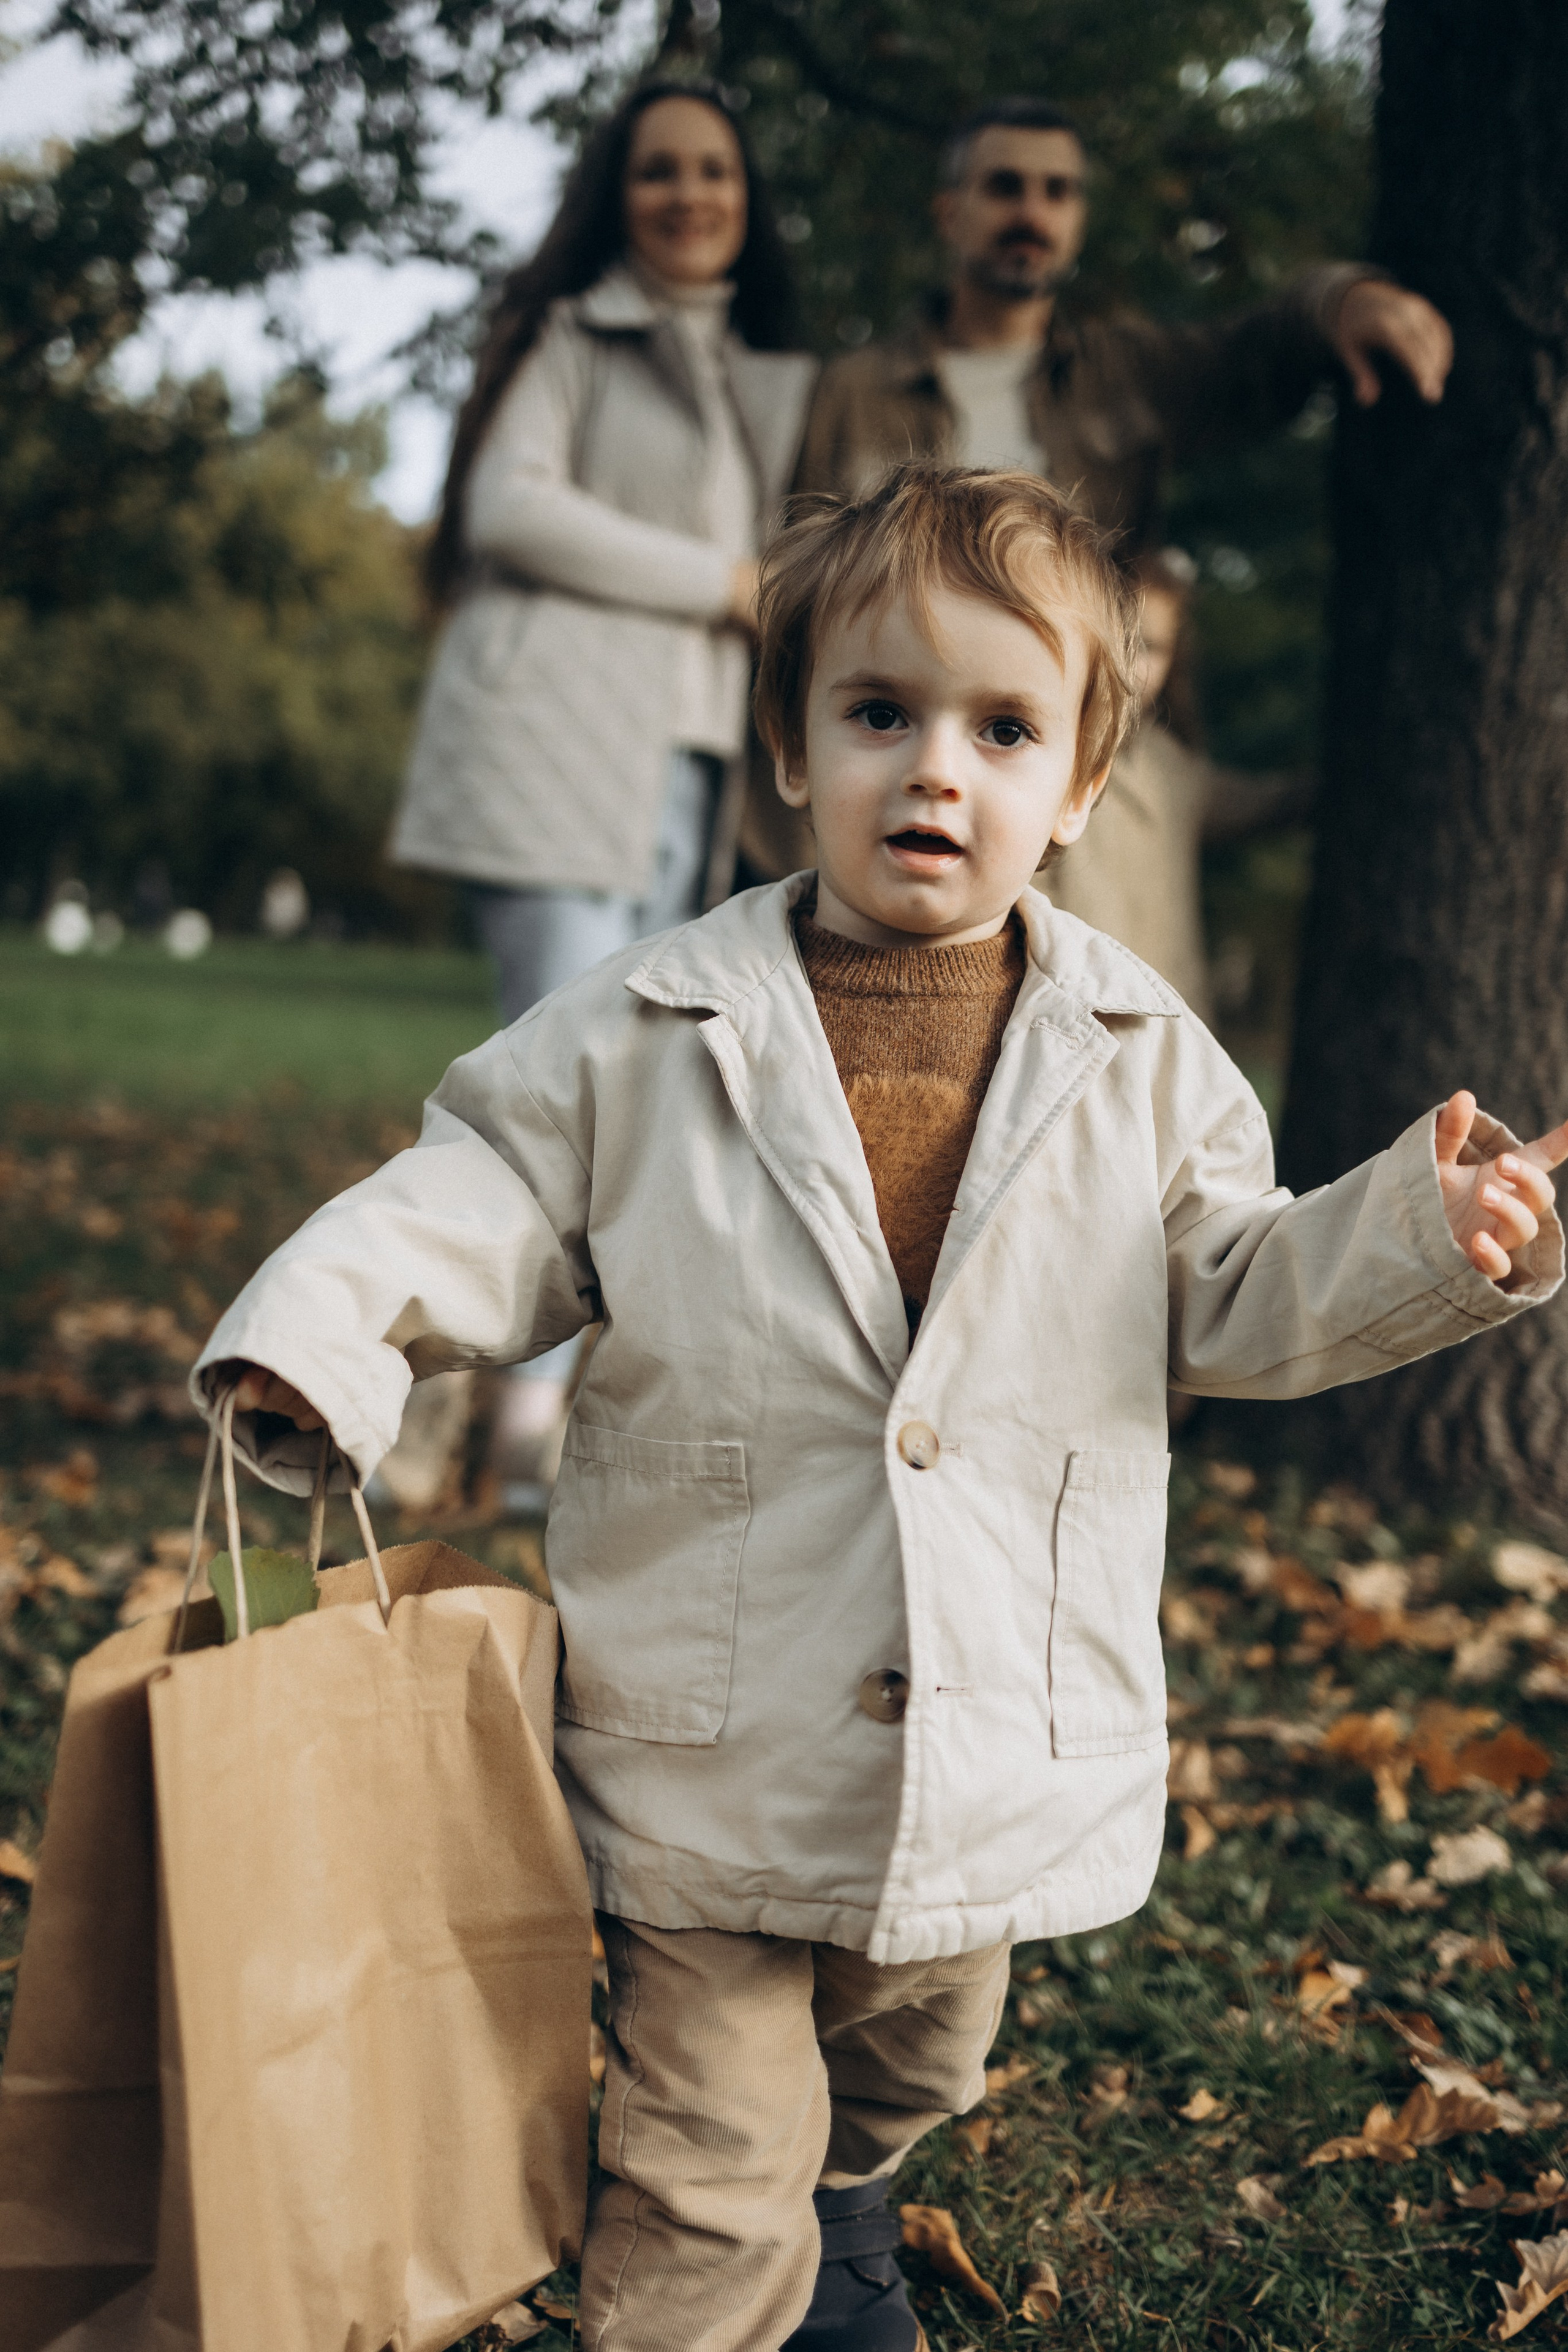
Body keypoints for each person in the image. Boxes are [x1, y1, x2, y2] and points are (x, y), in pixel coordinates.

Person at [196, 467, 1563, 2352]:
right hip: (708, 1716)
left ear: (1078, 789)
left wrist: (1429, 1233)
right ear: (788, 746)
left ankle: (839, 2189)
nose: (937, 768)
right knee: (705, 2148)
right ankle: (735, 2269)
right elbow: (476, 1197)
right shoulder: (643, 1026)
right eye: (879, 713)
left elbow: (1238, 1285)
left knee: (916, 2051)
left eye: (1003, 727)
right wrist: (325, 1336)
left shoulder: (1142, 1054)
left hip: (989, 1715)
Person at [388, 78, 816, 1498]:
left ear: (748, 206)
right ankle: (399, 1388)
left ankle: (522, 1425)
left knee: (623, 1099)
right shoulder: (572, 338)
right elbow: (506, 504)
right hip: (552, 751)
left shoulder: (761, 370)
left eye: (715, 172)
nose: (689, 194)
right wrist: (724, 584)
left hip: (686, 771)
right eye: (657, 172)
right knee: (547, 1086)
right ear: (613, 196)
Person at [796, 97, 1453, 538]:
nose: (1031, 212)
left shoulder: (1126, 374)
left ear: (1078, 221)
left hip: (1095, 730)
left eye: (1057, 192)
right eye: (1004, 186)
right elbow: (796, 582)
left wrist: (1343, 300)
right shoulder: (851, 391)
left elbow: (1260, 353)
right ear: (949, 214)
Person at [1046, 545, 1312, 1020]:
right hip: (1075, 1012)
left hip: (1171, 1015)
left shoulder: (1170, 766)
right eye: (1122, 636)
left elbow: (1248, 802)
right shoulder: (1045, 746)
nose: (1134, 662)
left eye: (1152, 647)